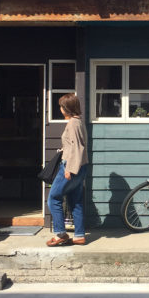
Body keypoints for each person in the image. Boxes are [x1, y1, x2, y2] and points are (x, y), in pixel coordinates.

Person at [46, 93, 89, 246]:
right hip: (81, 167)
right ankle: (79, 235)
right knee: (75, 201)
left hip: (71, 168)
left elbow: (77, 148)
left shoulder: (72, 124)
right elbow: (74, 146)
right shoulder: (79, 122)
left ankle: (60, 234)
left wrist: (69, 169)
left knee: (53, 199)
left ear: (67, 108)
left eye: (61, 106)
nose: (60, 108)